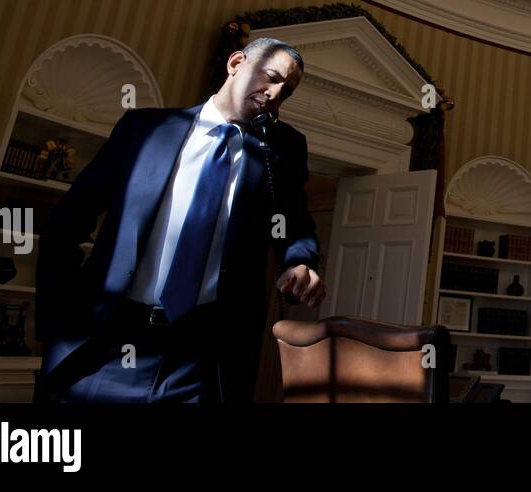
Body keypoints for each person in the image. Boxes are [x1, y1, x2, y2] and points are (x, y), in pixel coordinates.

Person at [33, 38, 326, 402]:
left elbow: (293, 220)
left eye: (288, 90)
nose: (276, 93)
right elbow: (68, 222)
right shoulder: (145, 130)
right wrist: (57, 323)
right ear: (236, 63)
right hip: (106, 345)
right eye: (271, 77)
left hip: (199, 360)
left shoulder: (283, 149)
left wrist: (300, 260)